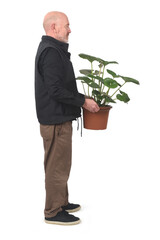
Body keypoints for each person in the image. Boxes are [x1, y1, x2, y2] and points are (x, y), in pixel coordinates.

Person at [35, 11, 100, 225]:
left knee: (61, 164)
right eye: (67, 25)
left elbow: (58, 87)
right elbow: (55, 90)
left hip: (58, 119)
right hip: (55, 121)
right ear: (54, 28)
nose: (70, 29)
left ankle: (61, 202)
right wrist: (83, 101)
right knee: (56, 166)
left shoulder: (52, 49)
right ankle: (53, 211)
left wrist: (81, 99)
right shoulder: (52, 52)